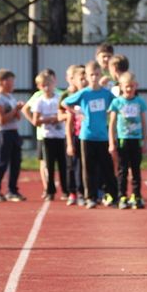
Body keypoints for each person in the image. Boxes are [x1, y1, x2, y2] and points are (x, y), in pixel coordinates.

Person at [63, 60, 116, 209]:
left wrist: (111, 112)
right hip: (86, 136)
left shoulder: (106, 93)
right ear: (87, 75)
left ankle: (113, 195)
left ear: (101, 75)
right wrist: (77, 113)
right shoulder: (84, 93)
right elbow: (65, 103)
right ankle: (90, 197)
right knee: (88, 168)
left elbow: (117, 103)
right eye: (91, 74)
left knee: (107, 168)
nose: (94, 77)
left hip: (103, 136)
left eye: (97, 74)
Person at [0, 69, 26, 203]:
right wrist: (15, 110)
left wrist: (18, 110)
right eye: (11, 80)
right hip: (2, 133)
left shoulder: (10, 97)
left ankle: (12, 190)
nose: (14, 83)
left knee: (15, 163)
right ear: (3, 81)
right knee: (1, 162)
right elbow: (1, 119)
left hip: (13, 132)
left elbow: (17, 117)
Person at [108, 71, 147, 209]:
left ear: (136, 86)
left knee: (136, 170)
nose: (129, 89)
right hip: (122, 140)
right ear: (121, 86)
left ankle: (136, 196)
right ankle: (122, 196)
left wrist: (145, 142)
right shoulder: (117, 102)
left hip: (136, 140)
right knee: (122, 170)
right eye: (127, 86)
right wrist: (111, 142)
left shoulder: (139, 102)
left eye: (132, 86)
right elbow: (112, 123)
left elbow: (144, 123)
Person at [30, 71, 68, 202]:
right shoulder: (39, 101)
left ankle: (66, 190)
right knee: (49, 166)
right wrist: (48, 120)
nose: (47, 88)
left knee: (63, 165)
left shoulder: (59, 98)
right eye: (44, 85)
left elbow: (64, 115)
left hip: (60, 136)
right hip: (47, 137)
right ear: (39, 87)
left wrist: (56, 118)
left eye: (49, 84)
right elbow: (35, 121)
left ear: (54, 84)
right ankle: (50, 190)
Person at [23, 68, 58, 197]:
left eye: (50, 80)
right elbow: (25, 108)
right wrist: (34, 121)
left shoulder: (60, 94)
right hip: (43, 135)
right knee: (44, 162)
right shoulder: (38, 95)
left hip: (59, 134)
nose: (48, 85)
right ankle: (47, 187)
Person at [61, 64, 87, 206]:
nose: (84, 82)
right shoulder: (73, 99)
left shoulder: (88, 97)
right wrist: (70, 143)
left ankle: (84, 192)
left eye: (85, 79)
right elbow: (69, 122)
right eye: (81, 79)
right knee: (72, 166)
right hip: (75, 136)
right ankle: (73, 192)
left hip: (87, 137)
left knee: (85, 166)